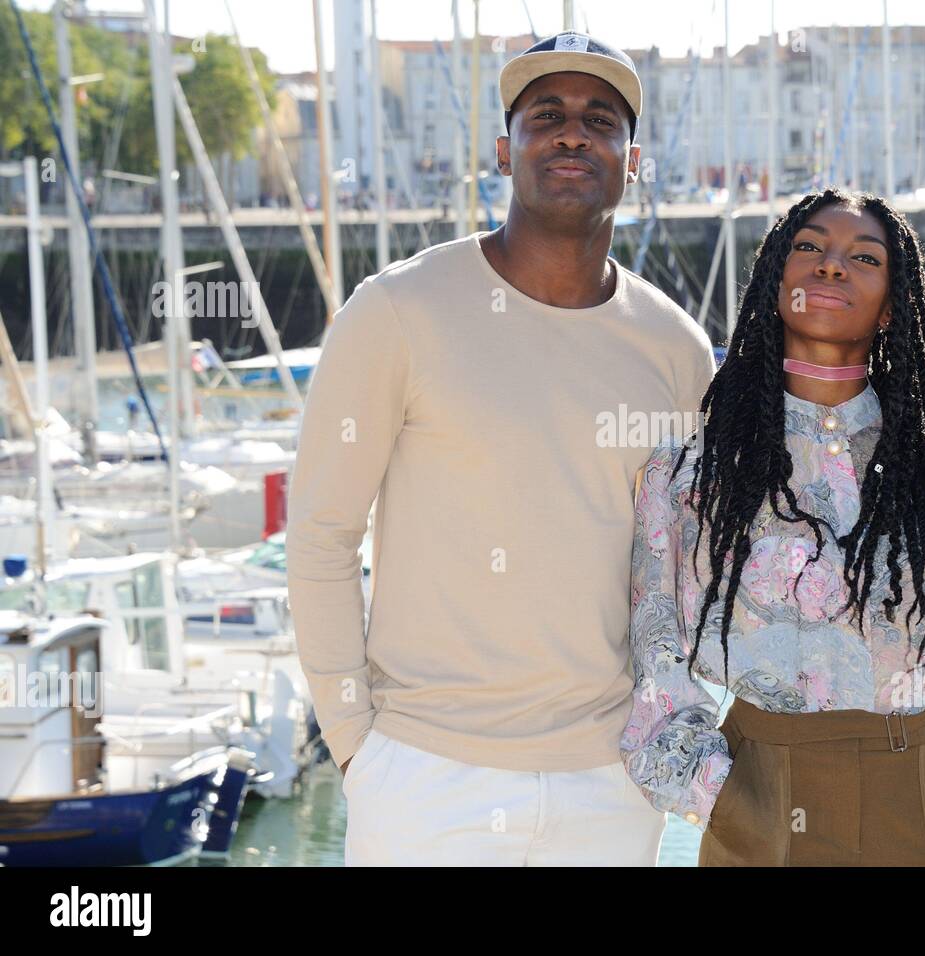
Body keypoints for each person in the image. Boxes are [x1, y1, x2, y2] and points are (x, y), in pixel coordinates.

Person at [286, 31, 715, 866]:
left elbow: (695, 562)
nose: (571, 133)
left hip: (611, 785)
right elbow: (321, 535)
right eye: (545, 114)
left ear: (632, 162)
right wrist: (356, 747)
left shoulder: (678, 349)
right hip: (423, 776)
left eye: (600, 120)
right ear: (502, 150)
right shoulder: (397, 312)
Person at [620, 187, 925, 866]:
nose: (832, 266)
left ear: (895, 302)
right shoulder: (687, 471)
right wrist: (725, 801)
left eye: (863, 257)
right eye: (809, 247)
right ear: (773, 278)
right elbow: (654, 659)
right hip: (758, 792)